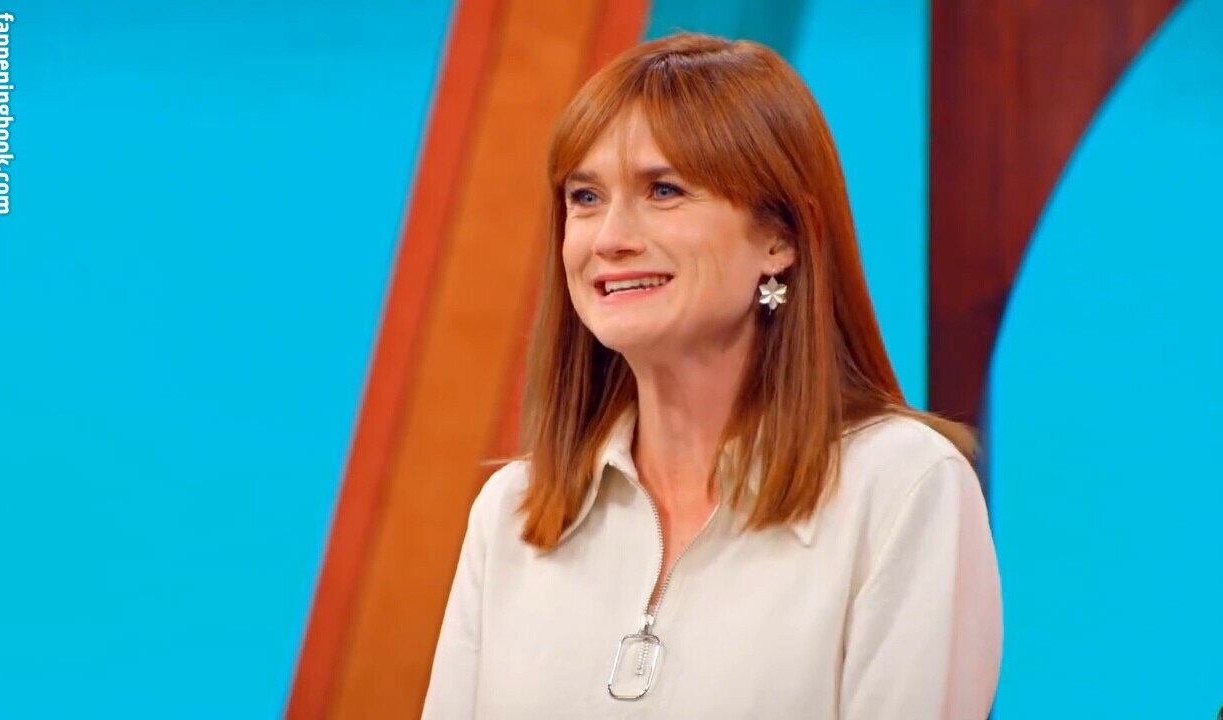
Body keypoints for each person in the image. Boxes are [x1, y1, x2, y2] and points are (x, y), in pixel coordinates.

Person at [422, 32, 1001, 719]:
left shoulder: (903, 488)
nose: (610, 238)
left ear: (780, 238)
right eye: (586, 197)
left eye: (663, 190)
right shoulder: (511, 513)